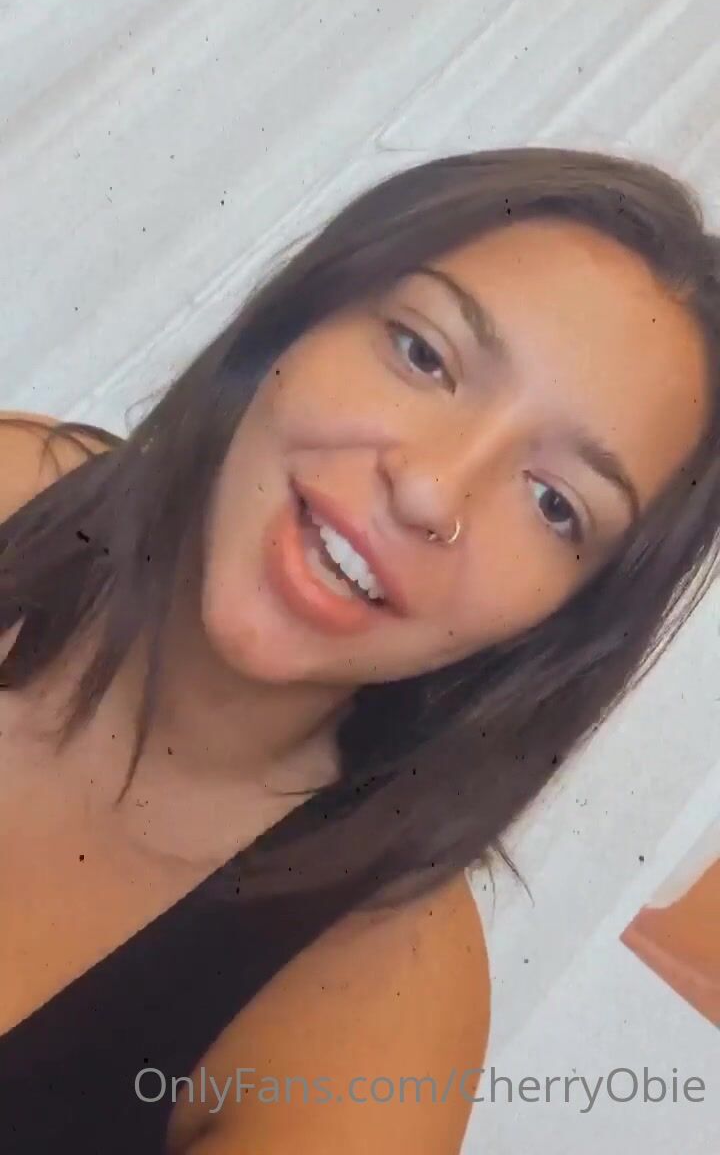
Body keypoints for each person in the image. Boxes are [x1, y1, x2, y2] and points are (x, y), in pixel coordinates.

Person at [0, 146, 718, 1154]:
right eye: (424, 354)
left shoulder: (383, 992)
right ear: (302, 317)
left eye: (555, 504)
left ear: (563, 622)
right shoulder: (19, 484)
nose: (429, 489)